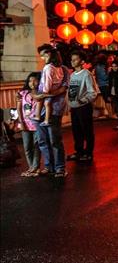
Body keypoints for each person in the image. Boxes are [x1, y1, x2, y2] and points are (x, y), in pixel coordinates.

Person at [34, 44, 70, 178]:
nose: (43, 58)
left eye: (44, 54)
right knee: (43, 140)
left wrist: (45, 95)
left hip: (54, 108)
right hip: (42, 107)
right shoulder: (47, 69)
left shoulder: (61, 69)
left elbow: (63, 87)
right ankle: (49, 166)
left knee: (55, 140)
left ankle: (60, 167)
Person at [66, 51, 98, 163]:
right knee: (76, 131)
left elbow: (92, 92)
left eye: (75, 59)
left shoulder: (86, 74)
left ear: (82, 61)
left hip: (84, 107)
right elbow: (70, 91)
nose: (73, 61)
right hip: (74, 107)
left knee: (87, 130)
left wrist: (83, 100)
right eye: (72, 59)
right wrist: (69, 104)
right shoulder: (72, 75)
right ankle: (79, 151)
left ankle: (88, 153)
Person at [16, 73, 43, 176]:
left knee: (37, 146)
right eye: (30, 81)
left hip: (36, 124)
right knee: (27, 147)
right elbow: (19, 108)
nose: (32, 83)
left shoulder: (40, 94)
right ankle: (31, 167)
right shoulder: (23, 93)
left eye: (35, 80)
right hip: (25, 124)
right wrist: (21, 122)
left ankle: (35, 168)